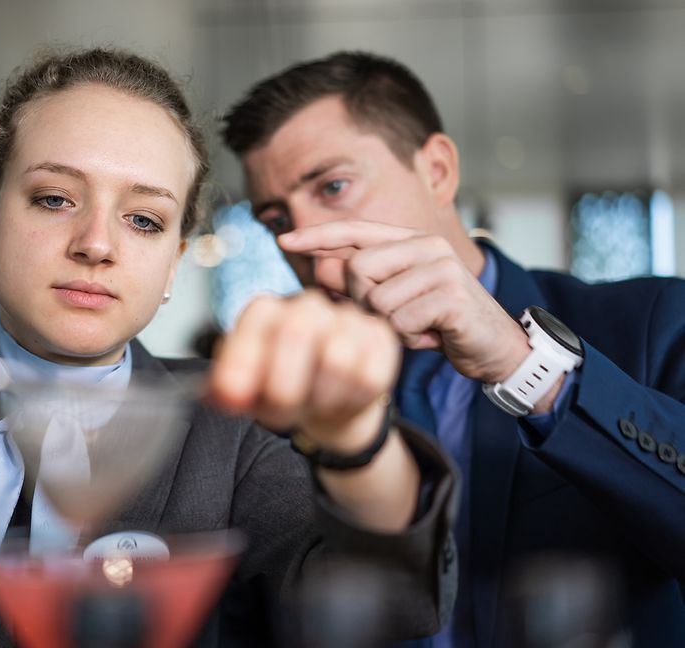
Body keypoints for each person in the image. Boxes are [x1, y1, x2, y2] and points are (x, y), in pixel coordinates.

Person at [0, 50, 458, 646]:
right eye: (54, 198)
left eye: (143, 220)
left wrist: (357, 441)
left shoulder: (232, 423)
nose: (96, 244)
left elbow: (386, 606)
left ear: (172, 263)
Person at [222, 50, 685, 647]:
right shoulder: (284, 405)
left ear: (437, 170)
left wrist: (526, 367)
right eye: (276, 218)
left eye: (333, 186)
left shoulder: (650, 323)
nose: (305, 242)